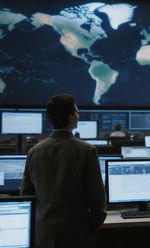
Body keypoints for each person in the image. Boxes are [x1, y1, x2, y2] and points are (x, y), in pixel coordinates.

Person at [20, 94, 107, 248]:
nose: (78, 115)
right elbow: (98, 200)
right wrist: (89, 229)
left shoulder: (34, 151)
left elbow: (26, 195)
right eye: (76, 111)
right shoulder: (86, 151)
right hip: (77, 235)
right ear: (71, 118)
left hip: (43, 235)